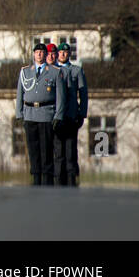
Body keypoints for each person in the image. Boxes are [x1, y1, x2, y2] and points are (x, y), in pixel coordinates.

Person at [16, 43, 66, 186]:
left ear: (45, 55)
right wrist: (19, 113)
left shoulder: (54, 72)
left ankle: (47, 178)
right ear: (33, 54)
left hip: (46, 114)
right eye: (37, 52)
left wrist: (58, 115)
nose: (39, 54)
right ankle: (36, 177)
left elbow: (60, 96)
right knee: (33, 149)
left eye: (42, 52)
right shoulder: (25, 72)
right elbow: (20, 94)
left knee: (46, 149)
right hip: (30, 114)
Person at [54, 42, 87, 187]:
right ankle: (59, 179)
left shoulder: (77, 71)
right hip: (57, 116)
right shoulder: (53, 70)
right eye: (60, 52)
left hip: (72, 115)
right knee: (58, 150)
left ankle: (71, 178)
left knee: (70, 149)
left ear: (69, 54)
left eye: (65, 52)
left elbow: (83, 94)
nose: (62, 54)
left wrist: (82, 114)